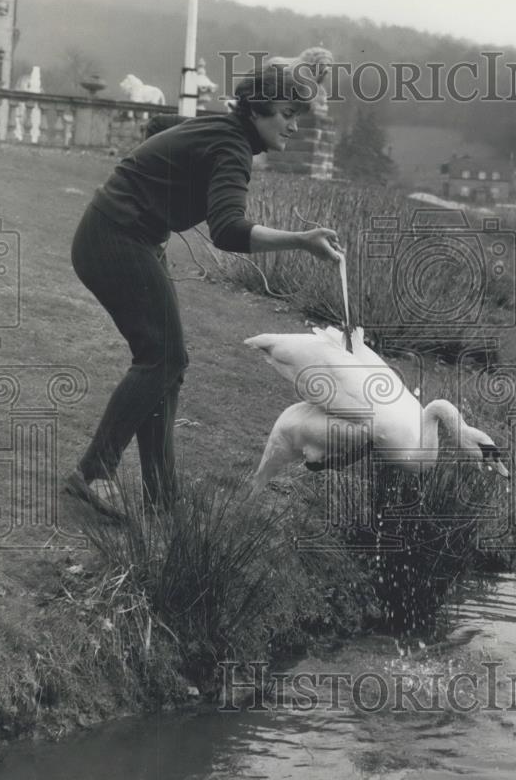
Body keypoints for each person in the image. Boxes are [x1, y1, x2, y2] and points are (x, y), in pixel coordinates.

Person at [65, 67, 341, 518]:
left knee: (168, 363)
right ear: (258, 110)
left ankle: (161, 495)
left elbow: (159, 138)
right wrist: (301, 239)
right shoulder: (231, 144)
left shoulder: (224, 131)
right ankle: (94, 472)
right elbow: (228, 231)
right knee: (163, 358)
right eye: (287, 114)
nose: (294, 126)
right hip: (115, 237)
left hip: (127, 234)